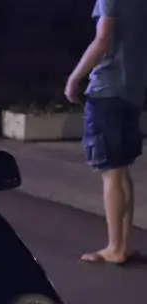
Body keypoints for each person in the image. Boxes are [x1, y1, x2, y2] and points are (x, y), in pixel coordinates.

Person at [65, 0, 147, 265]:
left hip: (107, 91)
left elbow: (102, 38)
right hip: (133, 92)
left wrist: (75, 77)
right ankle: (122, 243)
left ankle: (114, 247)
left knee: (110, 172)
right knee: (122, 169)